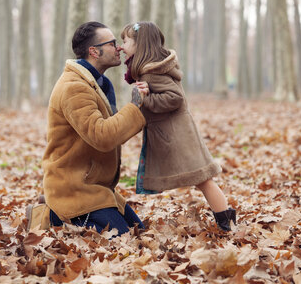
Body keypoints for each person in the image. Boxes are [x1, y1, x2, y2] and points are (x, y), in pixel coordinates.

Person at [26, 21, 149, 235]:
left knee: (140, 231)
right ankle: (49, 214)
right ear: (94, 51)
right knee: (124, 240)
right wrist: (135, 106)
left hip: (95, 186)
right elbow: (102, 136)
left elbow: (112, 131)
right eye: (112, 43)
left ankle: (54, 210)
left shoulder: (97, 83)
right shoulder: (74, 87)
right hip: (74, 189)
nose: (119, 47)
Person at [120, 21, 237, 231]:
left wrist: (146, 99)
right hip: (175, 133)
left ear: (140, 44)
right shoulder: (151, 69)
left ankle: (226, 223)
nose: (121, 46)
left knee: (203, 179)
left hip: (177, 136)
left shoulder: (152, 72)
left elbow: (175, 98)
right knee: (203, 180)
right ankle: (226, 220)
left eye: (125, 41)